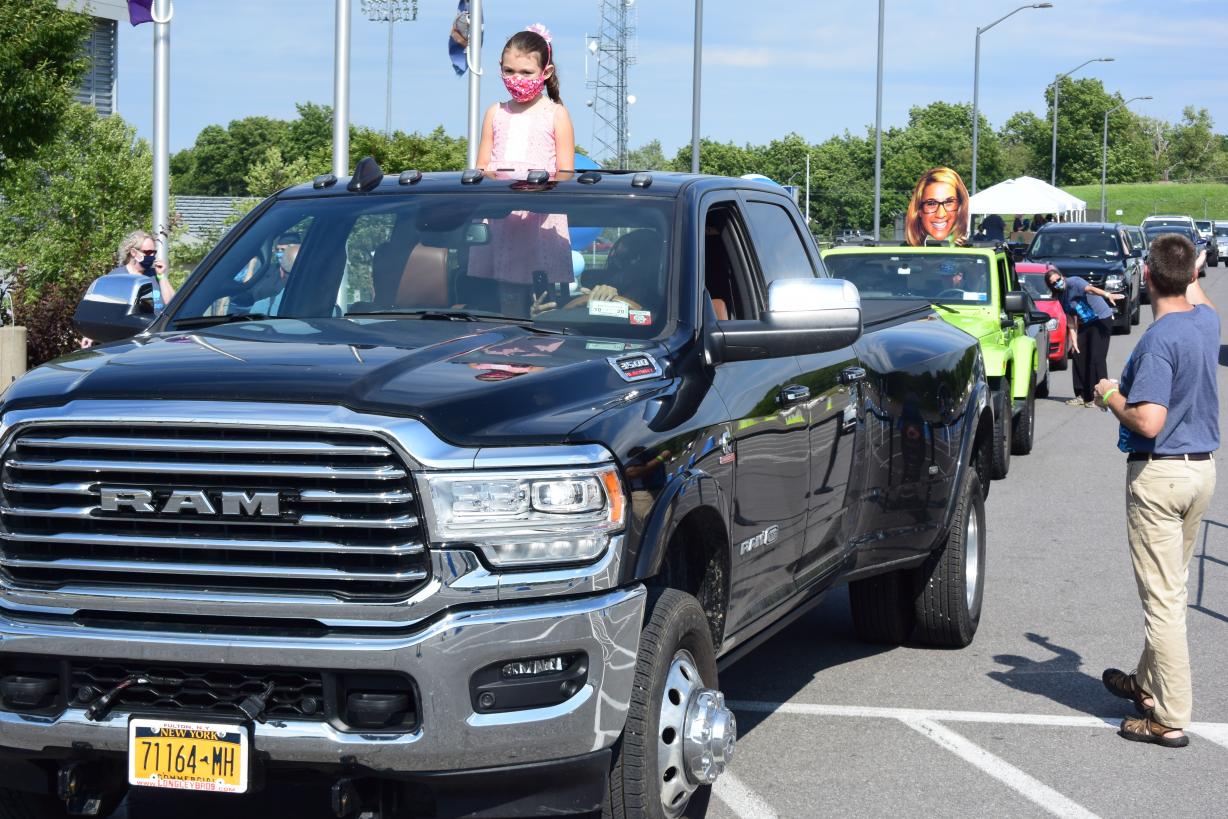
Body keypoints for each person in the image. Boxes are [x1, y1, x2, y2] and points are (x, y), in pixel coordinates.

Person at [1093, 234, 1218, 748]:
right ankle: (1145, 684)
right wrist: (1196, 268)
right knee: (1173, 587)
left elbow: (1147, 420)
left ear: (1145, 277)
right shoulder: (1205, 322)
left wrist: (1109, 395)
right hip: (1201, 473)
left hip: (1161, 476)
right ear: (1192, 276)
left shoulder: (1160, 341)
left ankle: (1168, 717)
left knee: (1162, 601)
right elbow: (1200, 295)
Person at [469, 24, 576, 314]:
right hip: (500, 217)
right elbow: (482, 169)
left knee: (542, 304)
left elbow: (566, 174)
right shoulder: (495, 112)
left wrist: (536, 193)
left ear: (547, 72)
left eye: (526, 73)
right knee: (503, 300)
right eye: (509, 71)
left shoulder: (556, 114)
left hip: (541, 218)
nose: (517, 79)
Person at [81, 230, 176, 348]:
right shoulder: (117, 278)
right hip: (126, 343)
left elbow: (174, 305)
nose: (152, 256)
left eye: (154, 252)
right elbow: (101, 312)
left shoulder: (155, 274)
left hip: (156, 341)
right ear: (133, 252)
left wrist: (162, 276)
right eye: (148, 252)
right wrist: (90, 334)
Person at [1046, 266, 1123, 406]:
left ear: (1062, 276)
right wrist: (1074, 342)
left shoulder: (1074, 282)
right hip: (1085, 323)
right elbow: (1070, 319)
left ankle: (1101, 396)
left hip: (1101, 319)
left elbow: (1091, 289)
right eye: (1053, 283)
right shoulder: (1060, 296)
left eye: (1058, 279)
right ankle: (1082, 395)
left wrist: (1107, 295)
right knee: (1078, 355)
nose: (1057, 283)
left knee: (1096, 357)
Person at [905, 167, 970, 247]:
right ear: (919, 210)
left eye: (949, 202)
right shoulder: (900, 255)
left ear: (960, 208)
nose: (940, 214)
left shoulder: (974, 256)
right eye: (932, 203)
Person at [248, 232, 301, 314]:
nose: (279, 254)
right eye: (278, 250)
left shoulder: (301, 275)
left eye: (283, 250)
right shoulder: (269, 269)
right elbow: (251, 289)